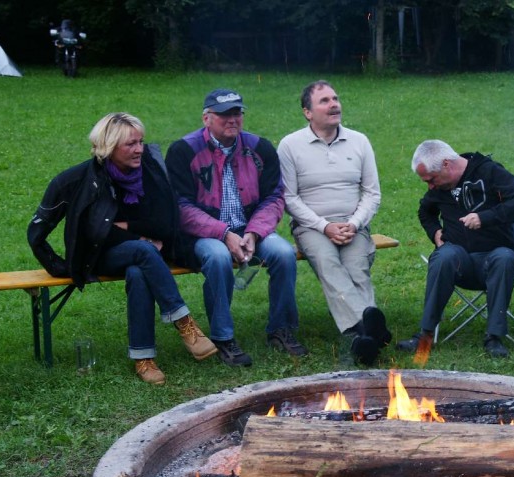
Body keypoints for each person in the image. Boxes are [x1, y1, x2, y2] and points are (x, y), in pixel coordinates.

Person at [27, 112, 217, 385]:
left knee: (139, 270)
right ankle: (185, 324)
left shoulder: (150, 171)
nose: (139, 149)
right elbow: (41, 231)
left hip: (146, 254)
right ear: (109, 146)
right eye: (131, 144)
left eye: (141, 141)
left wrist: (129, 228)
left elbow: (167, 223)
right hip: (98, 256)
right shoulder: (76, 179)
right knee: (144, 251)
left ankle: (143, 358)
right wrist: (59, 266)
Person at [166, 89, 306, 367]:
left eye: (237, 113)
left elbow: (274, 197)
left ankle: (281, 329)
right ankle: (223, 337)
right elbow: (180, 207)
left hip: (252, 228)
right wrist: (224, 233)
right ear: (207, 118)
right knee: (217, 257)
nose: (232, 119)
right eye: (224, 114)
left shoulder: (260, 148)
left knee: (283, 253)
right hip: (201, 233)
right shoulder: (183, 151)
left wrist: (253, 233)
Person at [277, 80, 388, 365]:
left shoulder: (359, 141)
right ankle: (368, 327)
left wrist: (354, 223)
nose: (334, 104)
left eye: (335, 98)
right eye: (324, 101)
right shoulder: (290, 145)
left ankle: (361, 339)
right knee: (328, 263)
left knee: (356, 268)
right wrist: (324, 226)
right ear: (307, 112)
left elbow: (372, 193)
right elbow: (289, 198)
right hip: (311, 226)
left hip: (354, 224)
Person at [397, 139, 514, 358]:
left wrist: (485, 217)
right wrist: (435, 232)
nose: (430, 186)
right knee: (444, 256)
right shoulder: (439, 189)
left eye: (431, 179)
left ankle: (494, 337)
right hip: (459, 260)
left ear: (446, 164)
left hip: (494, 257)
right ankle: (425, 335)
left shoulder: (489, 172)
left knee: (505, 257)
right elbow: (426, 212)